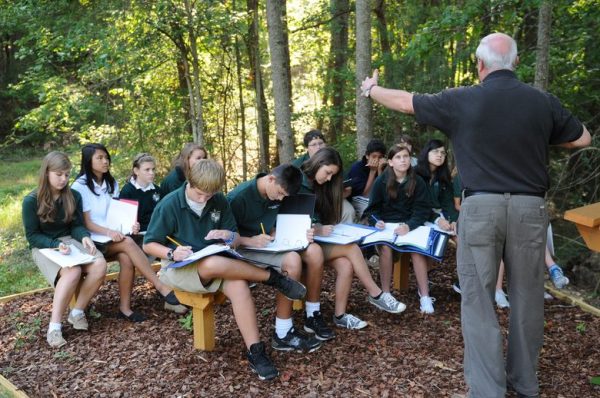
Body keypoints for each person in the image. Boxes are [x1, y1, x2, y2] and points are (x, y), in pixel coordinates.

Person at [361, 32, 591, 397]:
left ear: (479, 64)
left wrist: (372, 89)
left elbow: (407, 102)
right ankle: (524, 383)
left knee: (479, 296)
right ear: (515, 63)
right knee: (528, 295)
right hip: (530, 208)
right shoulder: (541, 102)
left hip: (481, 207)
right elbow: (582, 138)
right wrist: (540, 135)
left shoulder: (462, 99)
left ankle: (488, 390)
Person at [143, 159, 307, 380]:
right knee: (211, 264)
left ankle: (255, 352)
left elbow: (234, 237)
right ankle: (272, 278)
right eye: (200, 194)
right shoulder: (169, 203)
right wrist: (172, 253)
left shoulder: (218, 200)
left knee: (239, 286)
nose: (204, 199)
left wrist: (227, 237)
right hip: (179, 266)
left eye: (209, 195)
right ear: (190, 182)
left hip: (216, 259)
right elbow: (149, 244)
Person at [72, 143, 183, 322]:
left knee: (126, 257)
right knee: (129, 244)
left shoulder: (111, 183)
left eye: (106, 157)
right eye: (99, 158)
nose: (105, 161)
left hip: (111, 236)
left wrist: (130, 225)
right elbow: (87, 223)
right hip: (91, 240)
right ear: (87, 161)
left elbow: (117, 214)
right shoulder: (80, 186)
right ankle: (161, 286)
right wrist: (110, 231)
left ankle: (124, 308)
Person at [301, 147, 406, 329]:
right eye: (327, 173)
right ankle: (376, 294)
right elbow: (297, 220)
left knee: (346, 264)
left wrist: (321, 227)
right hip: (302, 245)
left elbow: (320, 218)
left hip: (319, 242)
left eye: (332, 176)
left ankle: (340, 315)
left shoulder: (322, 185)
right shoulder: (300, 182)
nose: (328, 179)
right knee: (351, 248)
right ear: (318, 163)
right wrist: (317, 229)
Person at [227, 164, 329, 351]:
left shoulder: (278, 191)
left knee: (315, 251)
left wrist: (301, 232)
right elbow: (227, 239)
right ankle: (283, 332)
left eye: (285, 197)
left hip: (270, 243)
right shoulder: (237, 198)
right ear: (271, 178)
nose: (281, 199)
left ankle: (312, 315)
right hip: (244, 248)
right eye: (280, 194)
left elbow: (280, 223)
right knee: (293, 261)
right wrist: (250, 240)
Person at [22, 152, 107, 348]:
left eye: (67, 175)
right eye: (59, 174)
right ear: (47, 173)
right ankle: (54, 327)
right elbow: (32, 236)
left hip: (69, 241)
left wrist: (84, 237)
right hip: (44, 245)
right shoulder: (31, 201)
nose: (63, 179)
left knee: (100, 264)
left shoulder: (73, 195)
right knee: (73, 271)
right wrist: (55, 245)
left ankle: (77, 312)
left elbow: (76, 225)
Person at [362, 145, 434, 313]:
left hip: (410, 225)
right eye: (398, 157)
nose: (403, 160)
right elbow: (371, 210)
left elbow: (423, 210)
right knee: (385, 248)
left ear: (410, 160)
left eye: (406, 156)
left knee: (417, 251)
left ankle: (424, 296)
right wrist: (376, 221)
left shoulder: (418, 181)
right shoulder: (382, 181)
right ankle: (386, 293)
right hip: (388, 226)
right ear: (390, 162)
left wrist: (409, 225)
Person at [292, 129, 355, 223]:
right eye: (314, 144)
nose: (318, 147)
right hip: (306, 207)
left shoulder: (333, 160)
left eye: (321, 143)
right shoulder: (296, 168)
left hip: (329, 199)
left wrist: (333, 195)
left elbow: (348, 188)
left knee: (348, 211)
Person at [415, 139, 458, 234]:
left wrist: (454, 220)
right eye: (436, 151)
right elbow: (417, 205)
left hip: (439, 214)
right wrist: (437, 220)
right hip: (419, 216)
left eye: (443, 153)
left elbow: (447, 201)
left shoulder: (443, 175)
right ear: (427, 153)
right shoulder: (415, 174)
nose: (440, 155)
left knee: (458, 234)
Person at [119, 153, 161, 233]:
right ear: (136, 171)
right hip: (136, 234)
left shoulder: (157, 190)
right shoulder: (127, 191)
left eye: (153, 169)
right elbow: (123, 219)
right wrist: (132, 227)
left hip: (156, 231)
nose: (152, 173)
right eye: (147, 169)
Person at [346, 138, 387, 218]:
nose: (376, 160)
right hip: (359, 199)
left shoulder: (384, 167)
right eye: (374, 156)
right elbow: (365, 194)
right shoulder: (357, 168)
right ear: (367, 156)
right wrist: (372, 171)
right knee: (371, 212)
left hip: (377, 198)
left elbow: (383, 191)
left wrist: (379, 170)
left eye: (380, 157)